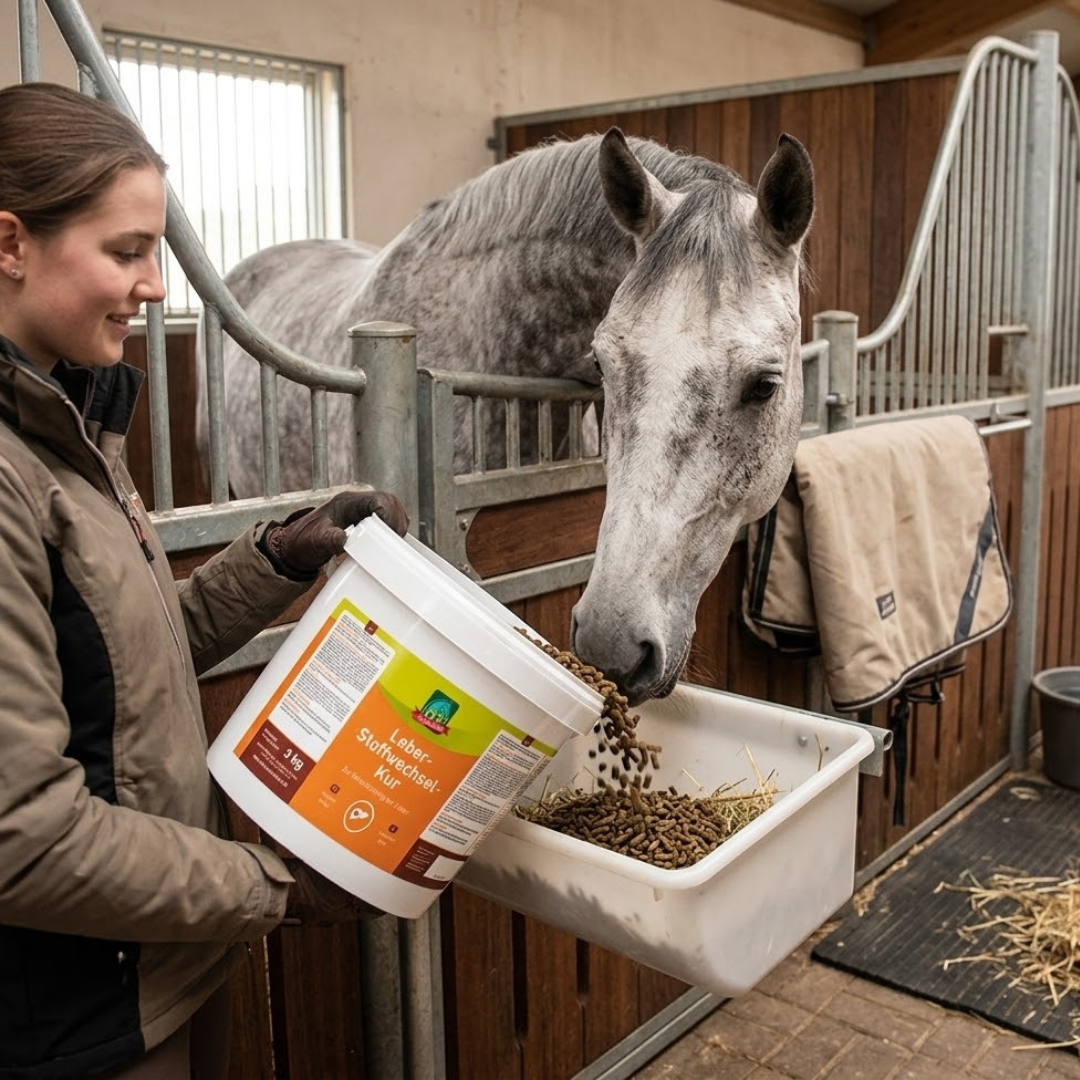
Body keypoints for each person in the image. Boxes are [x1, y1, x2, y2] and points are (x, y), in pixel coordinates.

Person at [0, 81, 409, 1080]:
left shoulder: (65, 424)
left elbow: (122, 662)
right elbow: (21, 836)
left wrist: (275, 559)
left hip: (159, 958)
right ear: (11, 243)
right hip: (77, 1017)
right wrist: (274, 888)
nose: (156, 286)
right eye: (127, 251)